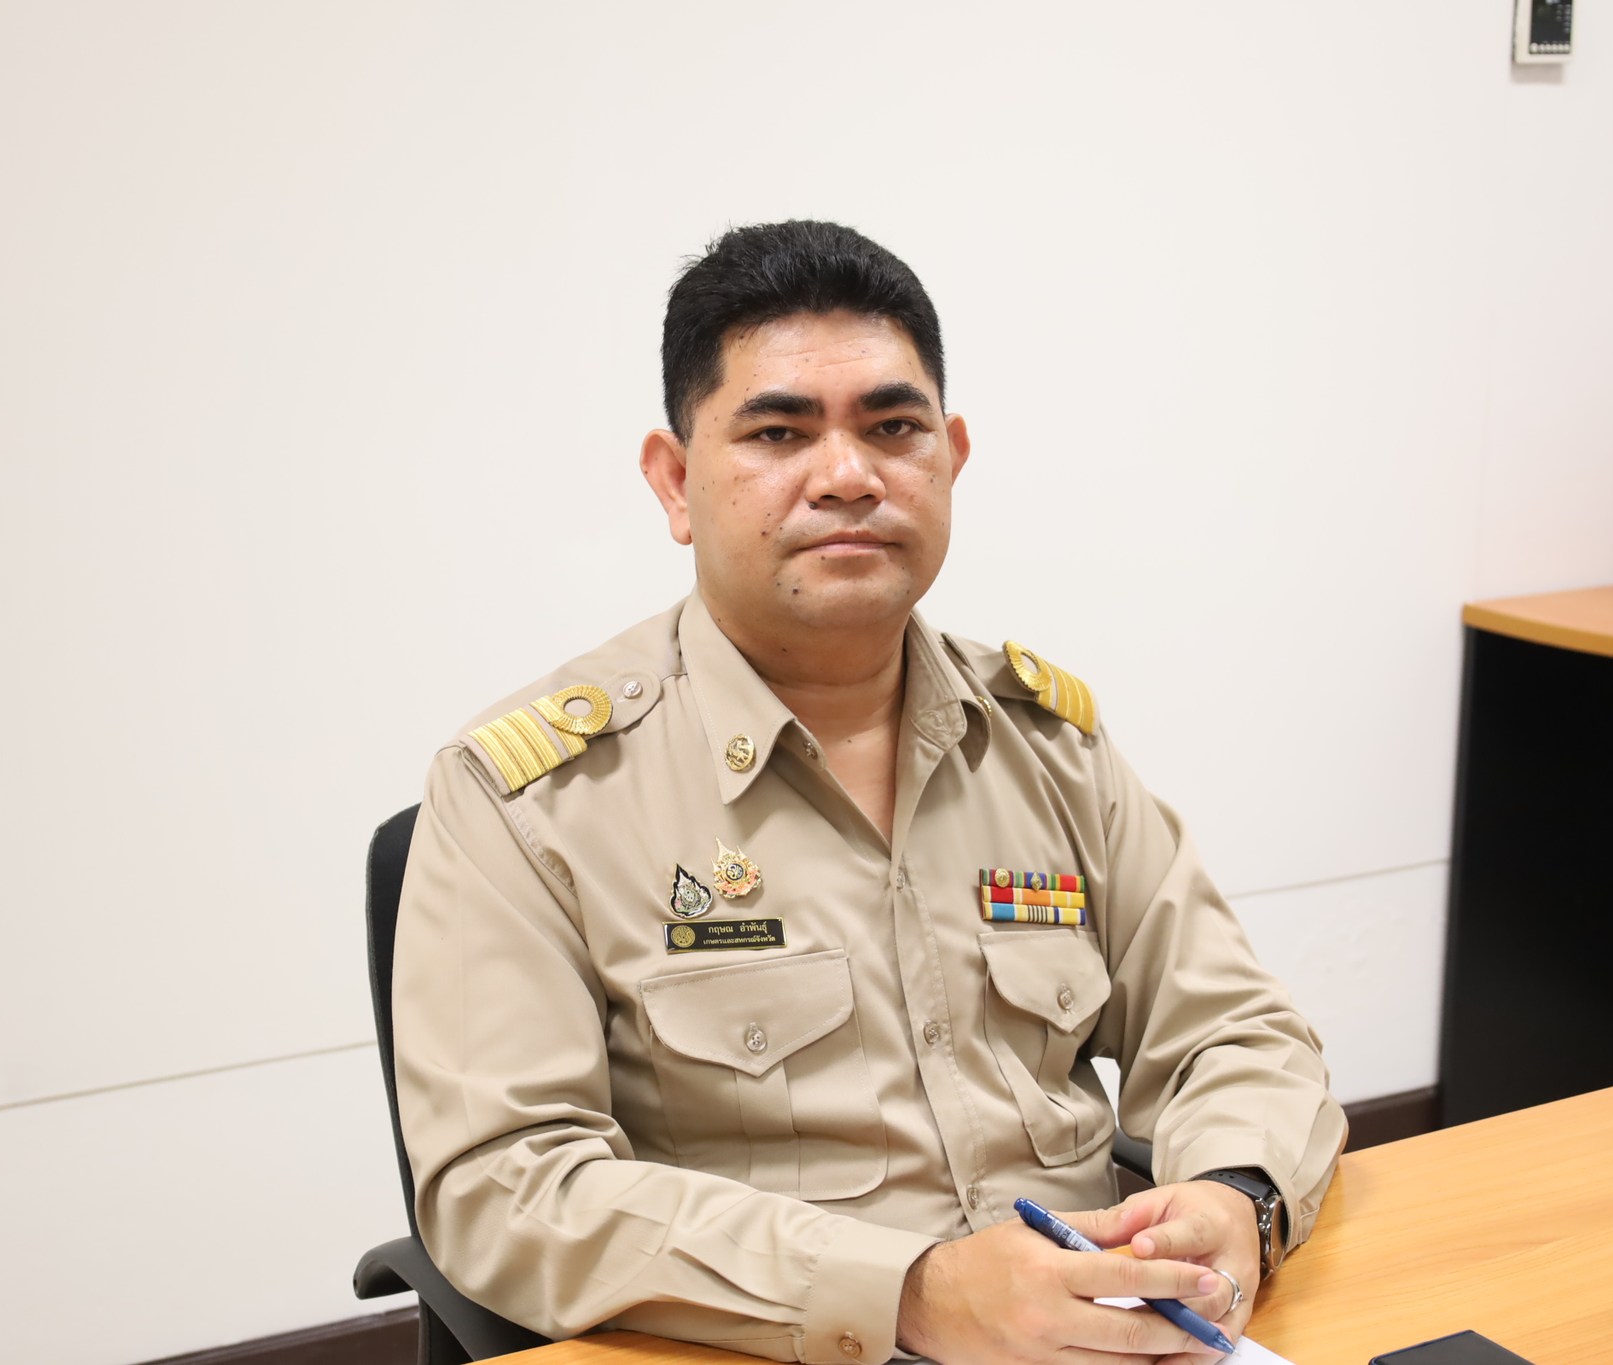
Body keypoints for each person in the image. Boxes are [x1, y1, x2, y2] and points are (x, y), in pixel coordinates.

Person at [392, 220, 1346, 1365]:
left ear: (949, 457)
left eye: (892, 428)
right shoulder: (529, 798)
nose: (847, 476)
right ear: (675, 481)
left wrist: (1237, 1194)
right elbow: (503, 1186)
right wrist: (910, 1293)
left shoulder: (1046, 745)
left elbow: (1234, 1032)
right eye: (778, 433)